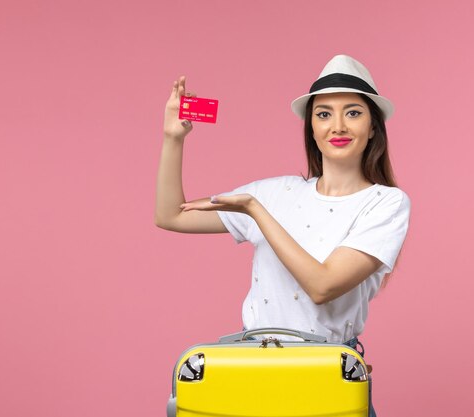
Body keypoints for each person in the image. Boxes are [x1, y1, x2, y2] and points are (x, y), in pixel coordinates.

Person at [156, 55, 410, 416]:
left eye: (353, 112)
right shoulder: (275, 192)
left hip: (326, 375)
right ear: (311, 128)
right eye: (323, 114)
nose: (337, 125)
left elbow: (323, 286)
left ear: (372, 127)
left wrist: (257, 211)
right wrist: (172, 139)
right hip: (252, 369)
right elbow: (170, 216)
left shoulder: (386, 203)